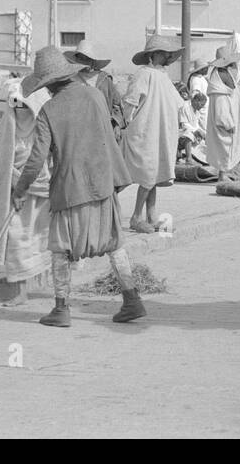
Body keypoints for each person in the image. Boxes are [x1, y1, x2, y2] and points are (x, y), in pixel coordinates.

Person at [12, 46, 144, 327]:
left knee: (60, 249)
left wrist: (19, 189)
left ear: (49, 85)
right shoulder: (95, 95)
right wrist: (117, 178)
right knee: (115, 244)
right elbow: (110, 138)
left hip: (69, 189)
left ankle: (61, 309)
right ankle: (132, 299)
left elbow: (37, 158)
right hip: (102, 183)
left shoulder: (49, 110)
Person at [0, 77, 52, 306]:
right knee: (18, 237)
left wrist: (26, 183)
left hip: (40, 186)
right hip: (21, 187)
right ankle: (19, 290)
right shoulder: (11, 123)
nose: (21, 110)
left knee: (35, 237)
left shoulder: (40, 124)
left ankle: (31, 288)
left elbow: (43, 157)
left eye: (26, 106)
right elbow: (4, 158)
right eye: (19, 106)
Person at [120, 35, 183, 233]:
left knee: (154, 175)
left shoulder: (163, 76)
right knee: (147, 175)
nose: (168, 58)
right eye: (165, 54)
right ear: (155, 54)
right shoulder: (143, 74)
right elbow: (131, 101)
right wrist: (127, 123)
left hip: (159, 130)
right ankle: (136, 217)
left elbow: (176, 102)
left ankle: (151, 215)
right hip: (145, 130)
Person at [205, 33, 240, 181]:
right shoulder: (219, 81)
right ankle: (222, 174)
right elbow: (221, 107)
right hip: (225, 123)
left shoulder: (227, 77)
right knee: (223, 148)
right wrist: (227, 123)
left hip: (231, 120)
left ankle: (226, 172)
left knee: (228, 148)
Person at [65, 39, 126, 140]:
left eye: (86, 59)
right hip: (77, 129)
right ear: (76, 60)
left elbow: (116, 104)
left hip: (102, 128)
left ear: (93, 61)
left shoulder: (104, 80)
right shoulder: (70, 79)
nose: (83, 62)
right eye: (80, 58)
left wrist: (116, 125)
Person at [177, 87, 207, 163]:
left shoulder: (197, 111)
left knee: (203, 140)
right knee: (189, 135)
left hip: (190, 131)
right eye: (201, 104)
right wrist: (196, 131)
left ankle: (191, 157)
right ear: (196, 101)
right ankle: (188, 158)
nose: (202, 107)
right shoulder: (185, 106)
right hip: (180, 132)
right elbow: (184, 124)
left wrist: (201, 132)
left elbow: (196, 125)